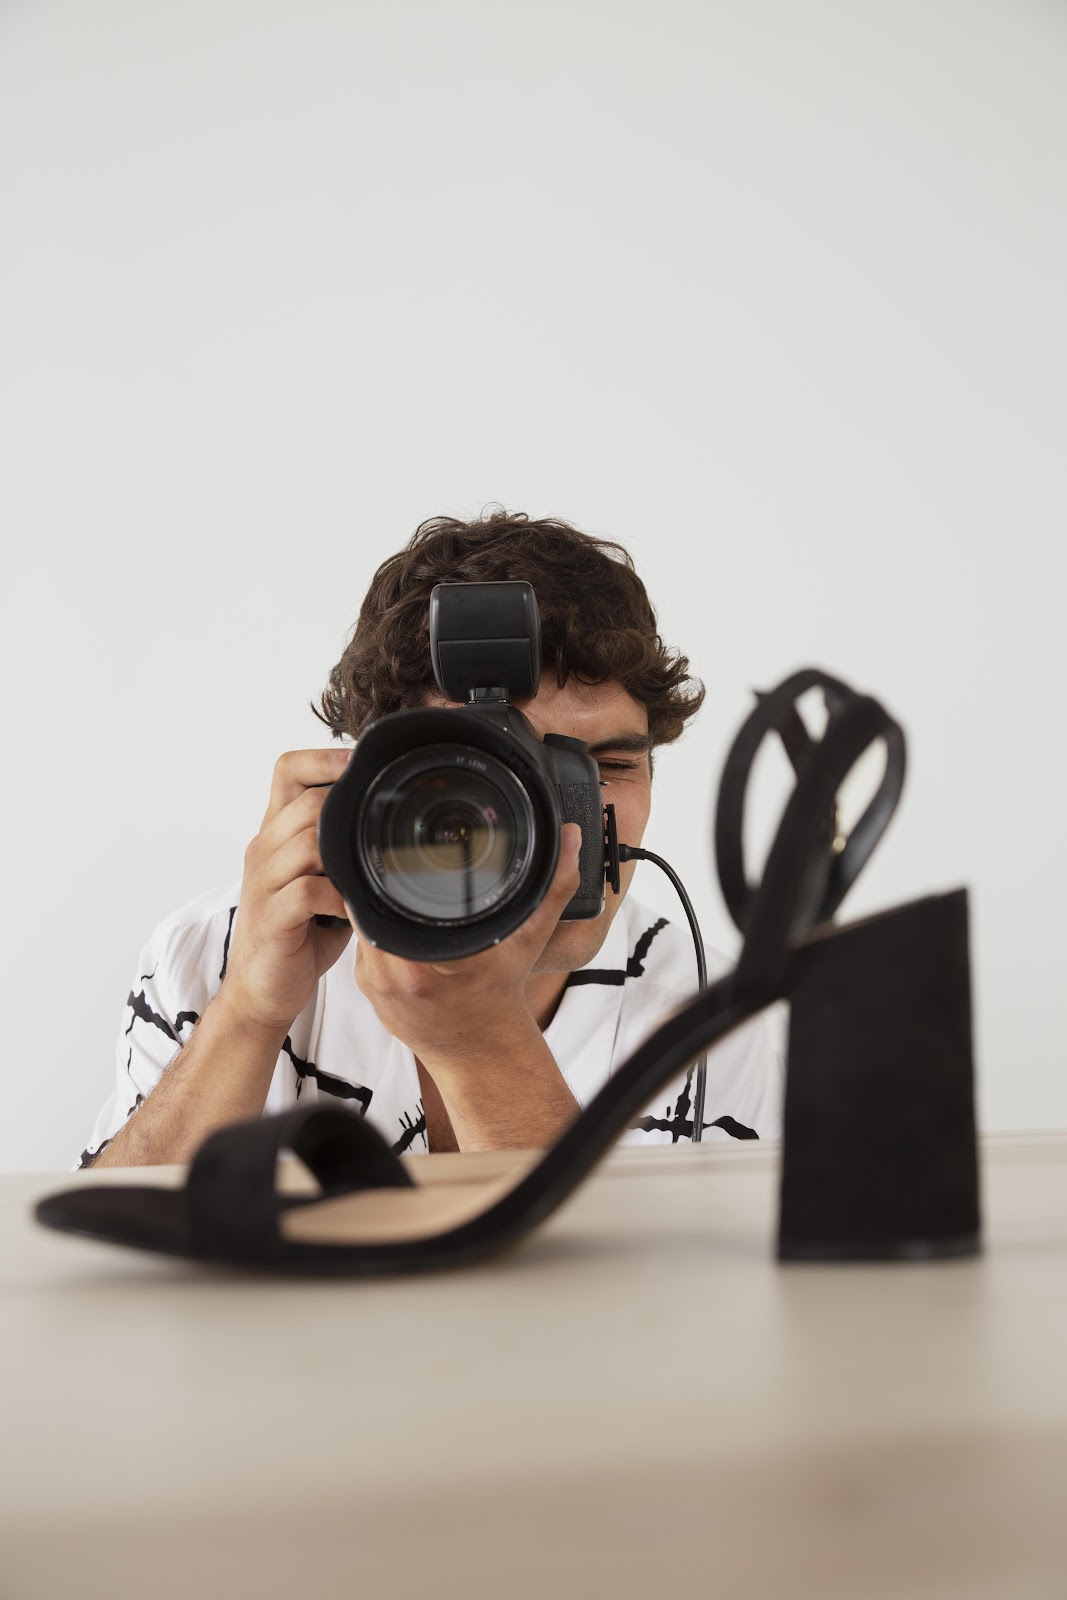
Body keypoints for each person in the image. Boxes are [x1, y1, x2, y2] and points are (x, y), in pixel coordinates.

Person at [80, 510, 782, 1169]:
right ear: (371, 780)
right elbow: (112, 1273)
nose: (554, 821)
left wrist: (482, 1047)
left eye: (605, 767)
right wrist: (247, 1013)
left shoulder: (712, 1015)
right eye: (488, 780)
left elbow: (646, 1302)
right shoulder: (216, 952)